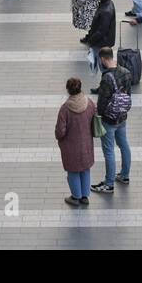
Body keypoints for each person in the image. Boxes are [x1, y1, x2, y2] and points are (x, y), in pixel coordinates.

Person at [91, 47, 132, 194]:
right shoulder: (126, 72)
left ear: (102, 59)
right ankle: (125, 175)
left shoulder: (107, 77)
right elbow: (128, 94)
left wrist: (99, 115)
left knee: (109, 151)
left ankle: (109, 184)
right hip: (122, 115)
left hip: (109, 120)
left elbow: (102, 103)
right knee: (123, 144)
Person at [55, 77, 96, 207]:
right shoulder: (89, 103)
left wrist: (59, 136)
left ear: (68, 90)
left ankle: (75, 196)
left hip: (71, 145)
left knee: (73, 171)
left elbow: (60, 131)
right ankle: (85, 196)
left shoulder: (65, 109)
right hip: (86, 144)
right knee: (85, 169)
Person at [81, 0, 116, 73]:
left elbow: (102, 31)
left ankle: (107, 83)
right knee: (104, 65)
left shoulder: (106, 10)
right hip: (103, 41)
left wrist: (91, 41)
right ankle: (105, 84)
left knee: (104, 66)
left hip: (102, 43)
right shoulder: (106, 4)